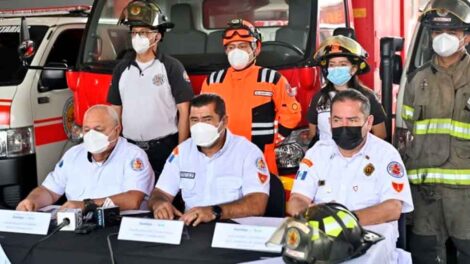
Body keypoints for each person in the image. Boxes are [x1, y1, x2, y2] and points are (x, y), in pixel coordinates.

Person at [401, 1, 470, 263]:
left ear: (466, 37)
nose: (443, 39)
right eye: (437, 32)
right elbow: (408, 135)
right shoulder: (417, 80)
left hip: (465, 194)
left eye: (451, 33)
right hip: (426, 190)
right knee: (427, 255)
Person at [287, 89, 413, 227]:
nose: (344, 126)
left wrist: (343, 222)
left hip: (372, 241)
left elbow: (393, 208)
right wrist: (307, 216)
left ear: (369, 122)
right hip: (323, 239)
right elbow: (297, 199)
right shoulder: (317, 153)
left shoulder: (385, 154)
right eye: (337, 120)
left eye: (352, 120)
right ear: (330, 122)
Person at [148, 94, 270, 227]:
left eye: (207, 119)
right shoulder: (182, 152)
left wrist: (214, 212)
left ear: (224, 121)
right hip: (192, 230)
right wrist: (159, 204)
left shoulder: (247, 152)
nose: (200, 126)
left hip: (232, 231)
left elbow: (257, 204)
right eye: (194, 120)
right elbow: (160, 193)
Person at [201, 18, 301, 175]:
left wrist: (272, 140)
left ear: (256, 48)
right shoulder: (213, 80)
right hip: (222, 156)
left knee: (263, 196)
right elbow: (203, 117)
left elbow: (291, 114)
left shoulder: (272, 78)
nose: (236, 51)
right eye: (231, 47)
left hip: (261, 156)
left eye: (242, 46)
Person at [108, 0, 194, 180]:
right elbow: (115, 112)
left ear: (158, 36)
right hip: (130, 148)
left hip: (164, 149)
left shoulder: (171, 67)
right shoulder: (121, 70)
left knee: (166, 200)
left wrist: (182, 151)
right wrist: (115, 147)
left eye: (144, 32)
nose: (138, 37)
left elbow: (184, 112)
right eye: (134, 32)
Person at [16, 105, 154, 211]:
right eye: (87, 130)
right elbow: (49, 191)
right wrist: (31, 201)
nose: (92, 135)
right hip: (78, 228)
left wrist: (85, 205)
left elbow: (133, 200)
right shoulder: (73, 154)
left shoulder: (133, 156)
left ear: (117, 130)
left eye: (98, 129)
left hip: (117, 229)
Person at [307, 35, 387, 143]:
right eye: (332, 64)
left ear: (353, 69)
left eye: (342, 64)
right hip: (326, 158)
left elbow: (380, 134)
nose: (336, 68)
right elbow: (312, 134)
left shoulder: (368, 97)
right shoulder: (319, 98)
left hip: (359, 157)